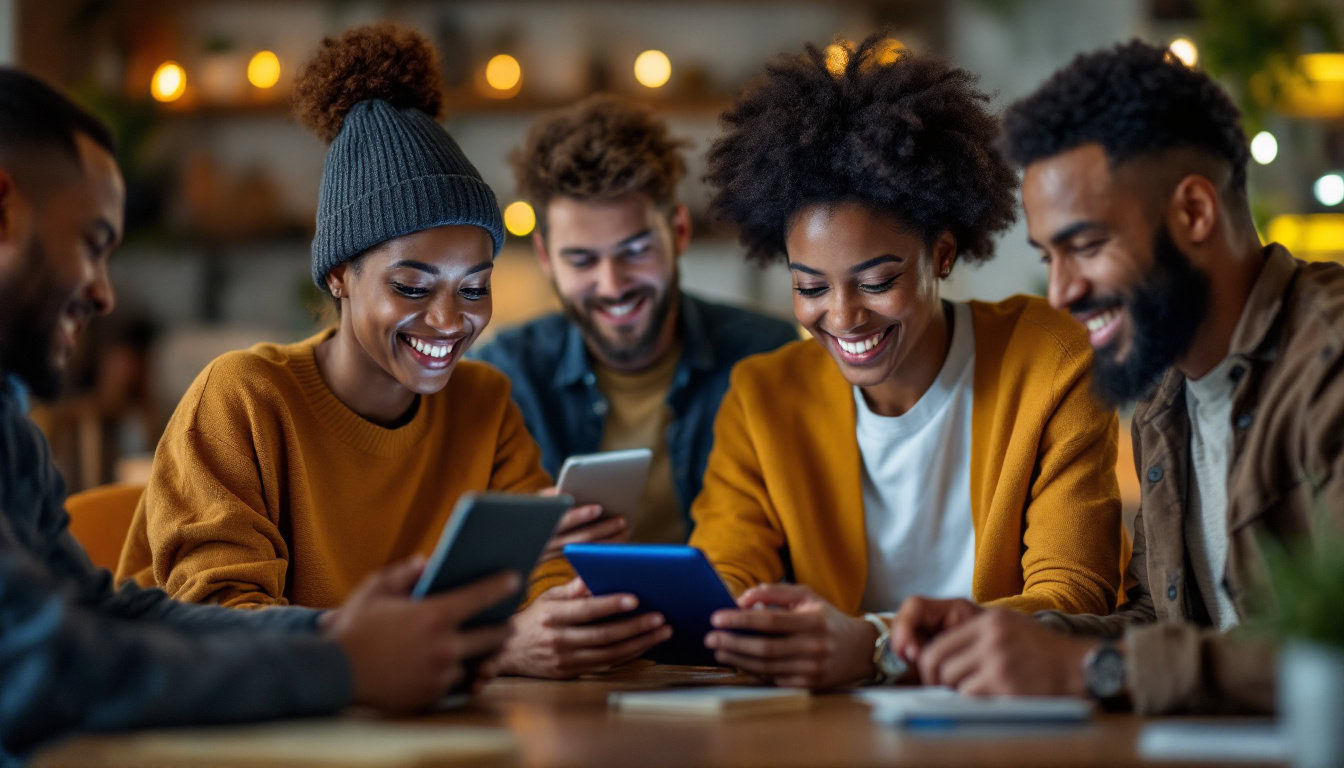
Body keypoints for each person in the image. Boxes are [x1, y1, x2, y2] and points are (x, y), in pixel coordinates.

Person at [0, 67, 522, 766]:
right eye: (92, 243)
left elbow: (101, 615)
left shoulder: (10, 431)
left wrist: (348, 637)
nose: (104, 296)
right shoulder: (244, 396)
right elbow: (46, 669)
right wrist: (345, 665)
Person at [113, 24, 665, 681]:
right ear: (341, 276)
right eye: (411, 285)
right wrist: (490, 645)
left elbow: (539, 569)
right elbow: (221, 620)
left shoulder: (484, 403)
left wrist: (566, 613)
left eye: (474, 287)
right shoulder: (244, 399)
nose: (448, 319)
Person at [891, 40, 1344, 714]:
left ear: (1194, 213)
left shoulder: (1330, 359)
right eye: (1049, 257)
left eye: (1087, 247)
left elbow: (1328, 656)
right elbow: (1164, 629)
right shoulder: (1165, 392)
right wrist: (1009, 636)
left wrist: (1094, 667)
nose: (1060, 293)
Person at [688, 36, 1125, 690]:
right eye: (810, 287)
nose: (842, 317)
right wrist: (740, 622)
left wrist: (877, 646)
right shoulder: (762, 396)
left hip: (1007, 718)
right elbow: (722, 581)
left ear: (942, 254)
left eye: (876, 280)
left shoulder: (1050, 359)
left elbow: (1073, 594)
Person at [473, 95, 797, 557]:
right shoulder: (502, 378)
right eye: (582, 259)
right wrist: (513, 544)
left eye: (635, 250)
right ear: (545, 257)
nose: (613, 285)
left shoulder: (767, 355)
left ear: (679, 231)